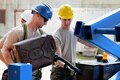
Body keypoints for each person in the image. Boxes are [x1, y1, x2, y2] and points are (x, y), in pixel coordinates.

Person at [1, 3, 52, 80]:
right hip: (18, 76)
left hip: (35, 77)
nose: (46, 23)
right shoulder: (17, 32)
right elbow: (5, 49)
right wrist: (14, 69)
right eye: (45, 20)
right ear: (37, 15)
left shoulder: (43, 35)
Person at [50, 4, 93, 80]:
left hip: (71, 69)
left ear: (72, 18)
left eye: (69, 19)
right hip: (60, 72)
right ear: (60, 18)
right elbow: (58, 59)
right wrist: (69, 68)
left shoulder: (74, 32)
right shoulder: (56, 36)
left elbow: (88, 44)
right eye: (64, 19)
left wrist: (100, 42)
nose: (67, 22)